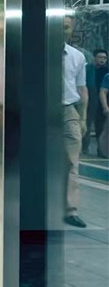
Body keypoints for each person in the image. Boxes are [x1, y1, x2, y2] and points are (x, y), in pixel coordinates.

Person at [62, 15, 88, 228]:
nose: (62, 30)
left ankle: (71, 210)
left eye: (66, 27)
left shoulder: (77, 56)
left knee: (72, 161)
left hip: (68, 110)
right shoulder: (37, 53)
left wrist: (83, 117)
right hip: (40, 110)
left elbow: (81, 88)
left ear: (72, 30)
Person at [85, 48, 108, 156]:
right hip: (89, 99)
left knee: (101, 127)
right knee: (86, 125)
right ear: (94, 57)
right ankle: (84, 148)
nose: (102, 60)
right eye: (100, 57)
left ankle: (102, 150)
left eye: (105, 58)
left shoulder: (107, 71)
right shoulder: (88, 69)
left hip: (102, 101)